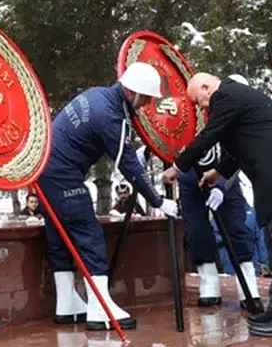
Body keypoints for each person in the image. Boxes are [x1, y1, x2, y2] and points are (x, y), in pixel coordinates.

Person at [162, 73, 272, 338]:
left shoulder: (227, 96)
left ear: (207, 87)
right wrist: (218, 172)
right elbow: (241, 146)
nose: (200, 108)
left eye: (198, 101)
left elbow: (209, 136)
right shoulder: (236, 99)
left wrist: (177, 167)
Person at [38, 61, 180, 330]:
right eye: (146, 98)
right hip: (64, 176)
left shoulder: (97, 96)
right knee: (89, 235)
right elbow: (129, 167)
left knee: (59, 237)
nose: (147, 105)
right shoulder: (111, 116)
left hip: (44, 172)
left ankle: (66, 305)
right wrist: (159, 201)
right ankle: (100, 308)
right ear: (132, 92)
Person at [179, 145, 261, 309]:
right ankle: (209, 283)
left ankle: (248, 287)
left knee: (236, 229)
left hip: (224, 173)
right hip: (190, 178)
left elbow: (236, 153)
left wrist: (222, 185)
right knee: (197, 232)